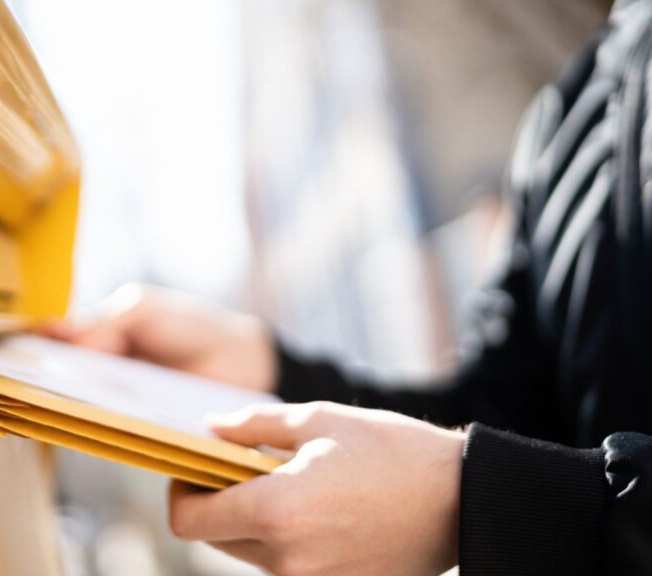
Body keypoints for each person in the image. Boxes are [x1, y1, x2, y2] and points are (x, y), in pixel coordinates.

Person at [46, 1, 652, 573]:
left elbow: (493, 467)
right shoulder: (573, 111)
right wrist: (273, 374)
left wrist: (473, 499)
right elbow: (504, 417)